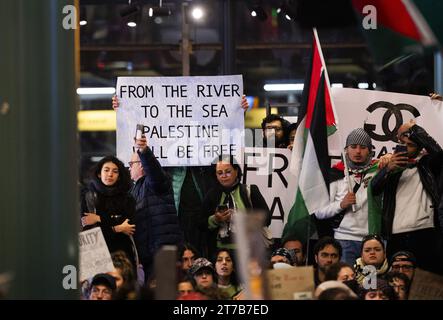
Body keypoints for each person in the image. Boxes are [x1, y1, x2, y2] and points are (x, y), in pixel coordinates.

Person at [112, 95, 249, 258]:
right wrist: (124, 111)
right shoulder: (163, 167)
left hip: (202, 218)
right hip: (174, 218)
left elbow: (224, 135)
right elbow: (138, 142)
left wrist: (238, 112)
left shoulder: (207, 161)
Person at [371, 120, 443, 274]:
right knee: (396, 281)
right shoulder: (391, 165)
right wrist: (387, 170)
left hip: (425, 232)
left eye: (410, 144)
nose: (405, 148)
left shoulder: (427, 165)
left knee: (426, 282)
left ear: (419, 146)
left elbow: (438, 153)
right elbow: (374, 189)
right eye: (402, 143)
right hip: (396, 234)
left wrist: (414, 129)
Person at [314, 128, 382, 266]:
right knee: (346, 282)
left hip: (372, 242)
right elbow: (318, 212)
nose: (358, 151)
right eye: (353, 147)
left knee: (370, 284)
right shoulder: (335, 174)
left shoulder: (378, 171)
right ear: (346, 149)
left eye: (363, 147)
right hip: (344, 240)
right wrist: (341, 204)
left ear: (370, 151)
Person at [129, 136, 183, 281]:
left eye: (131, 164)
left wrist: (144, 151)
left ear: (141, 165)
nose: (129, 167)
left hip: (162, 252)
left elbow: (154, 171)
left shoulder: (157, 181)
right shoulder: (135, 189)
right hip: (146, 254)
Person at [199, 155, 271, 258]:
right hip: (220, 252)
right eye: (220, 173)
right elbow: (200, 223)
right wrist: (215, 219)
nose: (224, 176)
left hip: (248, 251)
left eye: (228, 171)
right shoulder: (212, 195)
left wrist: (240, 218)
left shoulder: (250, 191)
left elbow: (267, 218)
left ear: (236, 171)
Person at [80, 156, 137, 270]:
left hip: (123, 254)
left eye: (115, 171)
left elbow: (129, 226)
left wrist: (99, 218)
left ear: (119, 176)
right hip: (96, 254)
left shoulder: (127, 198)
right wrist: (116, 228)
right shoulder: (89, 197)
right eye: (106, 170)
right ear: (99, 174)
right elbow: (90, 231)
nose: (110, 174)